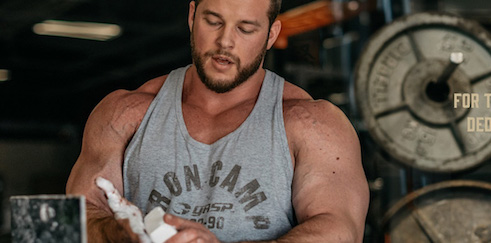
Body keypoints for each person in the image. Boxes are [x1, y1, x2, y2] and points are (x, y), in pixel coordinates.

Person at [65, 0, 369, 241]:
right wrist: (120, 233)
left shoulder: (312, 123)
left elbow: (341, 230)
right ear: (192, 15)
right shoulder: (123, 113)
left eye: (246, 29)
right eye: (213, 21)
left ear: (271, 35)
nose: (225, 41)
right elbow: (79, 215)